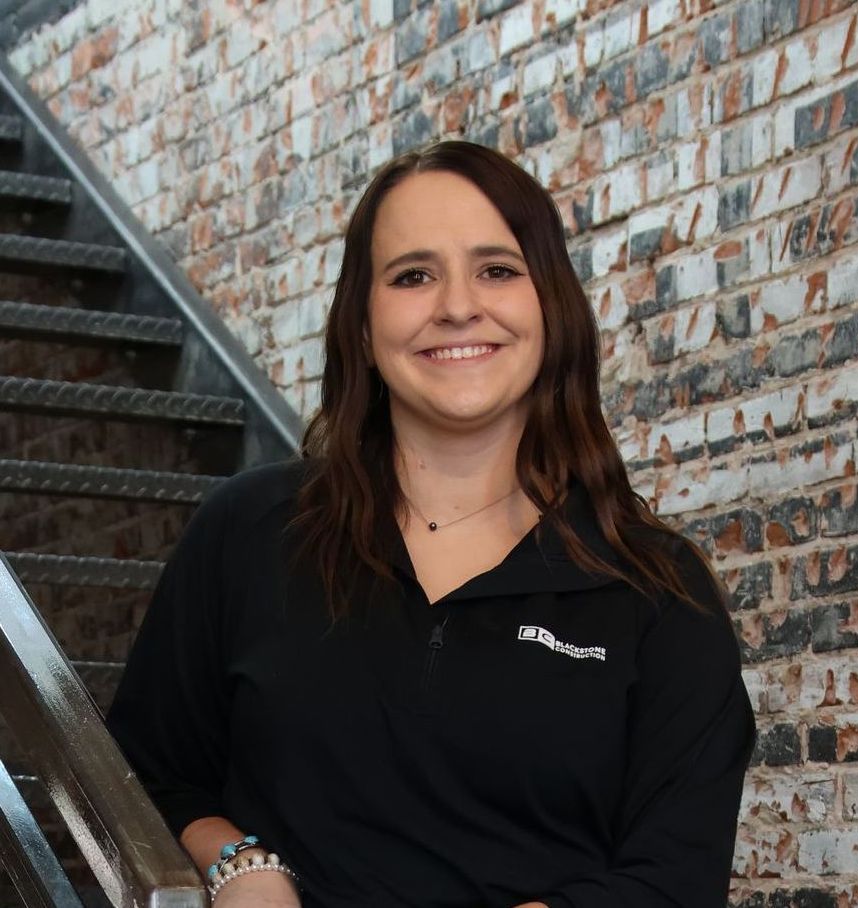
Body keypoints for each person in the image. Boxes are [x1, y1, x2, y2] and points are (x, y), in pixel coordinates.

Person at [106, 140, 757, 908]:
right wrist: (240, 863)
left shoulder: (655, 589)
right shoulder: (250, 531)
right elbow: (143, 778)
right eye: (413, 275)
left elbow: (674, 881)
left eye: (498, 270)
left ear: (552, 307)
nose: (456, 305)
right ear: (361, 325)